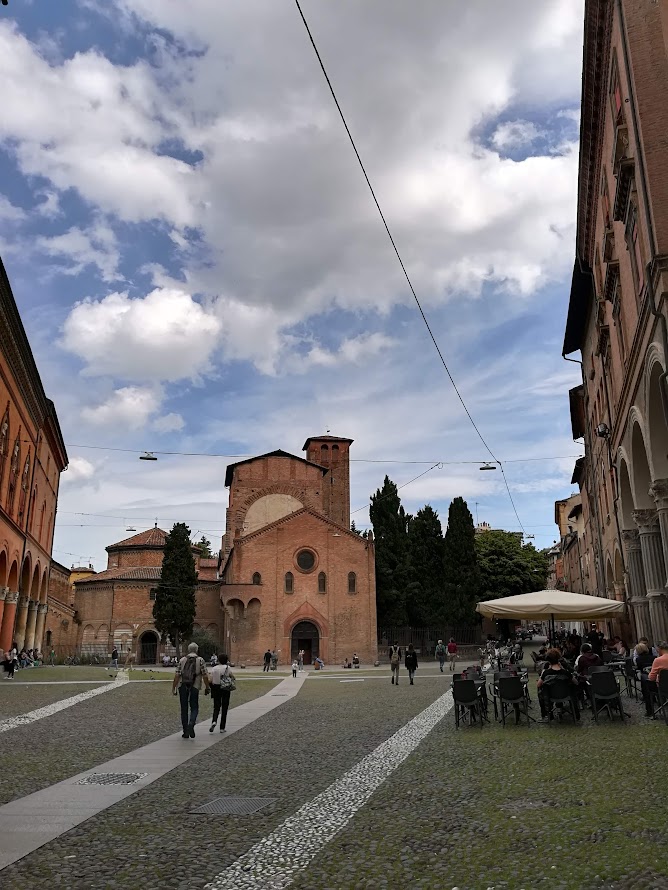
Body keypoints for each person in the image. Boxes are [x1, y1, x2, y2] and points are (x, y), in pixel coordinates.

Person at [172, 642, 210, 739]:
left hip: (182, 685)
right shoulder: (200, 660)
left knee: (184, 708)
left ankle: (185, 731)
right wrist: (207, 687)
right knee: (194, 707)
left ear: (188, 650)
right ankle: (191, 723)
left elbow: (177, 675)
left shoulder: (182, 660)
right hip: (195, 685)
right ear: (196, 650)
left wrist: (174, 687)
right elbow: (205, 675)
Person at [537, 648, 580, 720]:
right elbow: (576, 682)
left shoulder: (546, 673)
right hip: (566, 695)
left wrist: (542, 674)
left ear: (548, 660)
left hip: (550, 695)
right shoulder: (565, 673)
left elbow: (538, 685)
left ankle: (545, 714)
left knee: (540, 692)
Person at [641, 640, 668, 718]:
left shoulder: (658, 660)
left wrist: (651, 673)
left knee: (644, 679)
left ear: (659, 649)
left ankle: (649, 711)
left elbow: (651, 678)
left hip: (663, 687)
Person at [209, 654, 234, 733]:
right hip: (225, 688)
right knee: (224, 707)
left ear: (218, 660)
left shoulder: (214, 668)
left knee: (216, 706)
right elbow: (232, 676)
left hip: (216, 688)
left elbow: (210, 680)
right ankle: (222, 727)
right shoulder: (228, 668)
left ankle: (214, 721)